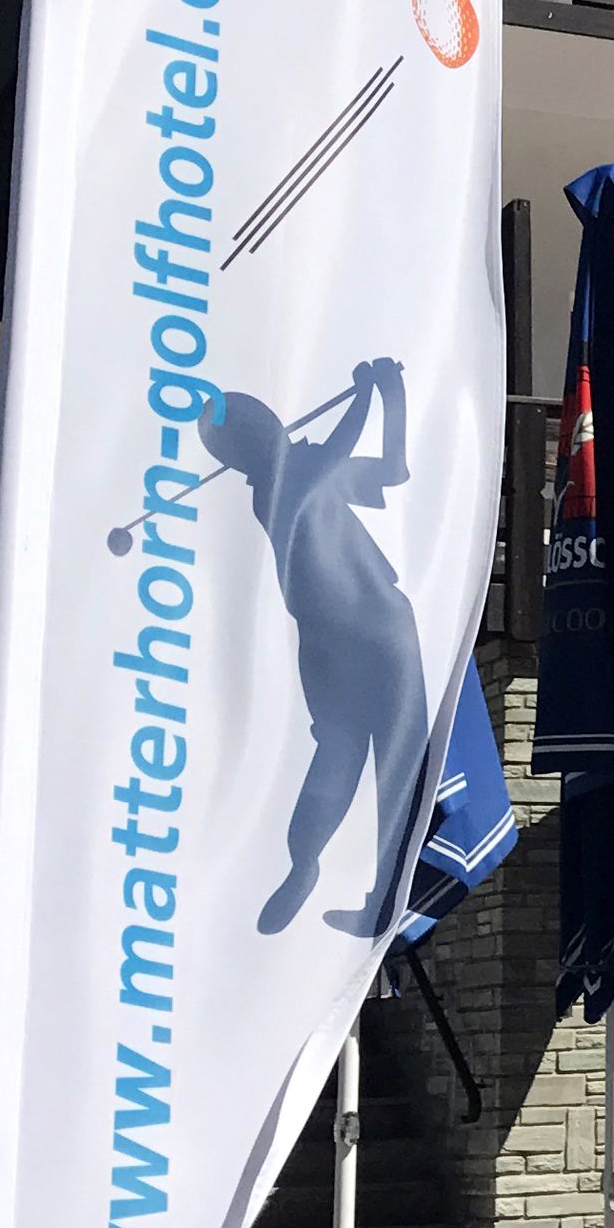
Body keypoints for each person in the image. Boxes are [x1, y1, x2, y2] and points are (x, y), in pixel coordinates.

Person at [201, 357, 427, 934]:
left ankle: (331, 872)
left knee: (347, 752)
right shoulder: (281, 481)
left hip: (334, 637)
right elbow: (336, 450)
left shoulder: (298, 474)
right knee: (388, 757)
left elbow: (393, 469)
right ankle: (347, 879)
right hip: (372, 629)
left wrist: (391, 397)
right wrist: (367, 393)